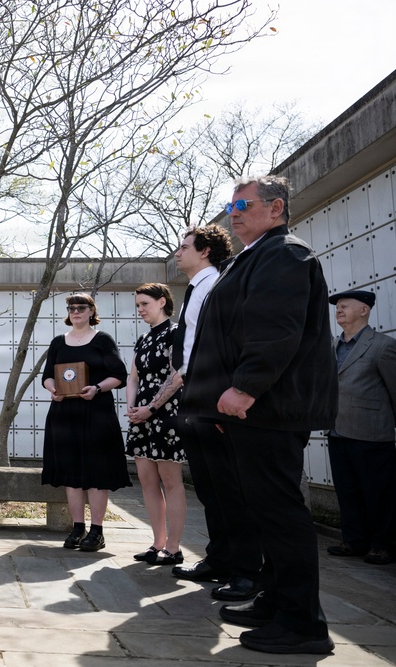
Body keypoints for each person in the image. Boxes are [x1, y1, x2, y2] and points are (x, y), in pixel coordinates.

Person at [181, 175, 338, 655]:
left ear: (276, 208)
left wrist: (246, 388)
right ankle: (276, 600)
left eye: (244, 204)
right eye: (230, 205)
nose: (234, 212)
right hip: (254, 411)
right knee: (265, 512)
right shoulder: (254, 256)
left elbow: (274, 329)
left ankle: (302, 624)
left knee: (281, 513)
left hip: (270, 407)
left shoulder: (284, 252)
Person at [161, 226, 262, 603]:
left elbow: (227, 344)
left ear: (204, 251)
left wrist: (220, 397)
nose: (177, 253)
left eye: (184, 247)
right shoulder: (196, 289)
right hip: (194, 391)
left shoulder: (215, 285)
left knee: (229, 488)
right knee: (209, 487)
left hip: (212, 395)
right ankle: (219, 558)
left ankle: (248, 571)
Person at [41, 293, 131, 552]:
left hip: (96, 414)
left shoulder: (102, 340)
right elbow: (48, 376)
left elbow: (119, 375)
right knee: (71, 475)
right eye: (71, 308)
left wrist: (97, 388)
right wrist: (53, 389)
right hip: (64, 415)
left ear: (92, 311)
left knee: (95, 475)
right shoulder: (58, 342)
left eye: (81, 307)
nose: (76, 311)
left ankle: (97, 531)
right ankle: (77, 528)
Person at [325, 290, 396, 566]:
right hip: (337, 429)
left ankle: (383, 545)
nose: (338, 310)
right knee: (346, 489)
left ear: (364, 310)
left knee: (378, 492)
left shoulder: (383, 346)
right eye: (337, 307)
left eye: (345, 306)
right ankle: (354, 540)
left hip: (371, 432)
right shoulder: (331, 346)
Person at [125, 283, 186, 566]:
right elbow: (133, 377)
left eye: (144, 304)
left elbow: (177, 376)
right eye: (138, 305)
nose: (140, 310)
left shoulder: (176, 333)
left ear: (162, 302)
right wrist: (132, 408)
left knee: (171, 482)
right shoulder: (144, 339)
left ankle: (173, 548)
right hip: (142, 415)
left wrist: (151, 408)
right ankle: (157, 543)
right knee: (148, 481)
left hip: (166, 414)